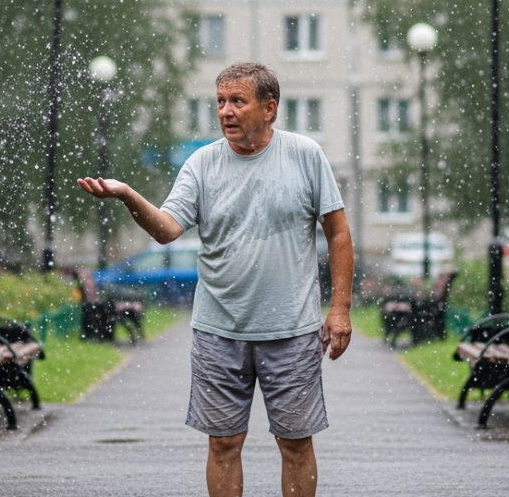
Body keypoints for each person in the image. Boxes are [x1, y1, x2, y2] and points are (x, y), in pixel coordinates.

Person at [77, 61, 353, 497]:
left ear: (269, 108)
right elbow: (167, 229)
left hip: (292, 330)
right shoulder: (202, 164)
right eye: (221, 101)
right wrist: (128, 195)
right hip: (218, 332)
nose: (225, 111)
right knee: (223, 443)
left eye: (237, 101)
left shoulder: (305, 155)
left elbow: (337, 233)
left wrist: (340, 309)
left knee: (296, 444)